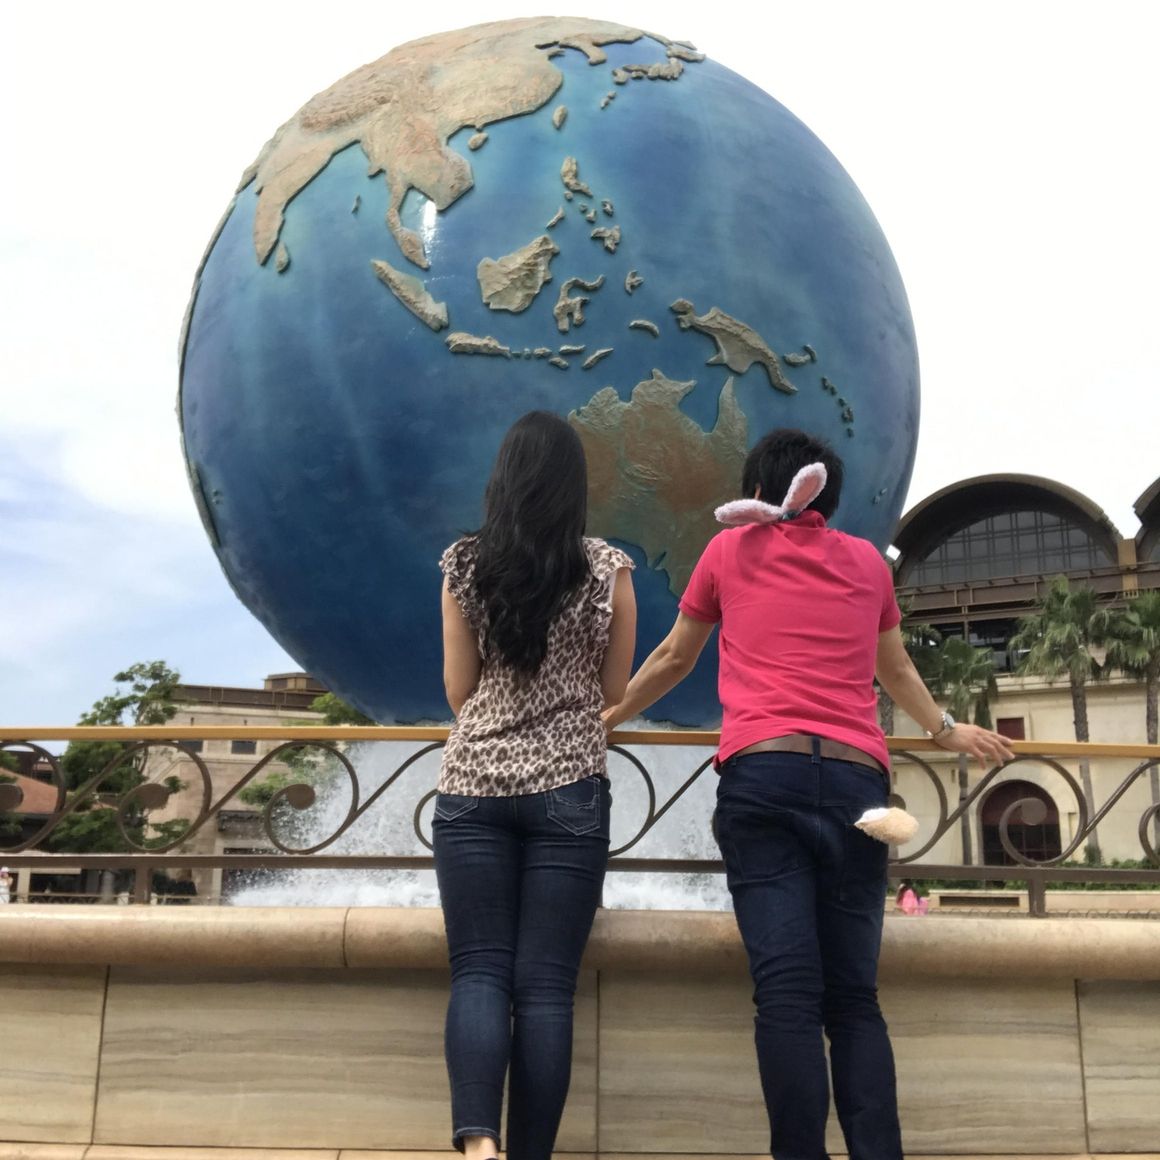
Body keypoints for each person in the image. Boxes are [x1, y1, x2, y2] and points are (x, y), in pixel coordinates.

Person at [603, 428, 1012, 1160]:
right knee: (853, 999)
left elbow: (673, 657)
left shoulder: (728, 551)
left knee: (788, 993)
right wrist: (946, 730)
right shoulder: (867, 562)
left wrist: (608, 717)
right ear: (828, 495)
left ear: (758, 491)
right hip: (858, 785)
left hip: (766, 777)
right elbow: (896, 672)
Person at [434, 411, 636, 1160]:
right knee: (546, 987)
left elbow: (459, 690)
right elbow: (612, 691)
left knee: (479, 970)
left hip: (472, 784)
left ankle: (478, 1145)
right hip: (570, 786)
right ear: (574, 486)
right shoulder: (609, 571)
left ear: (504, 479)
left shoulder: (463, 565)